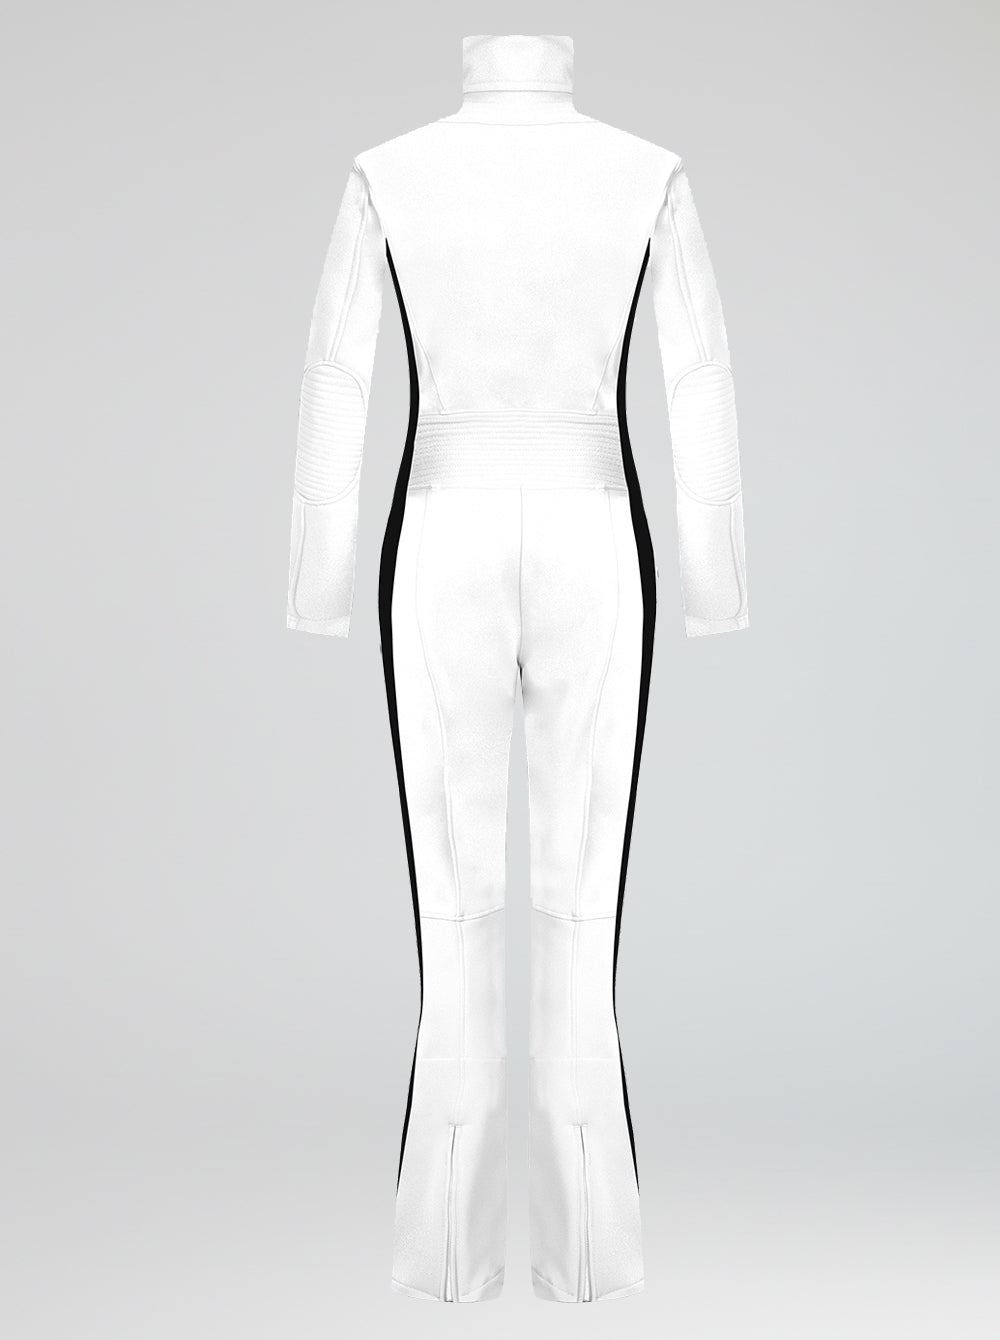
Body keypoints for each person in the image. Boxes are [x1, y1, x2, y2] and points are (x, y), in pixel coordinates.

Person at [286, 32, 749, 1303]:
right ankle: (588, 1258)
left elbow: (336, 378)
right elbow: (698, 379)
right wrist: (712, 580)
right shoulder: (644, 172)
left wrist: (320, 578)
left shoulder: (390, 172)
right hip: (594, 529)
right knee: (582, 912)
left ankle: (445, 1258)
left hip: (442, 530)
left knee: (452, 914)